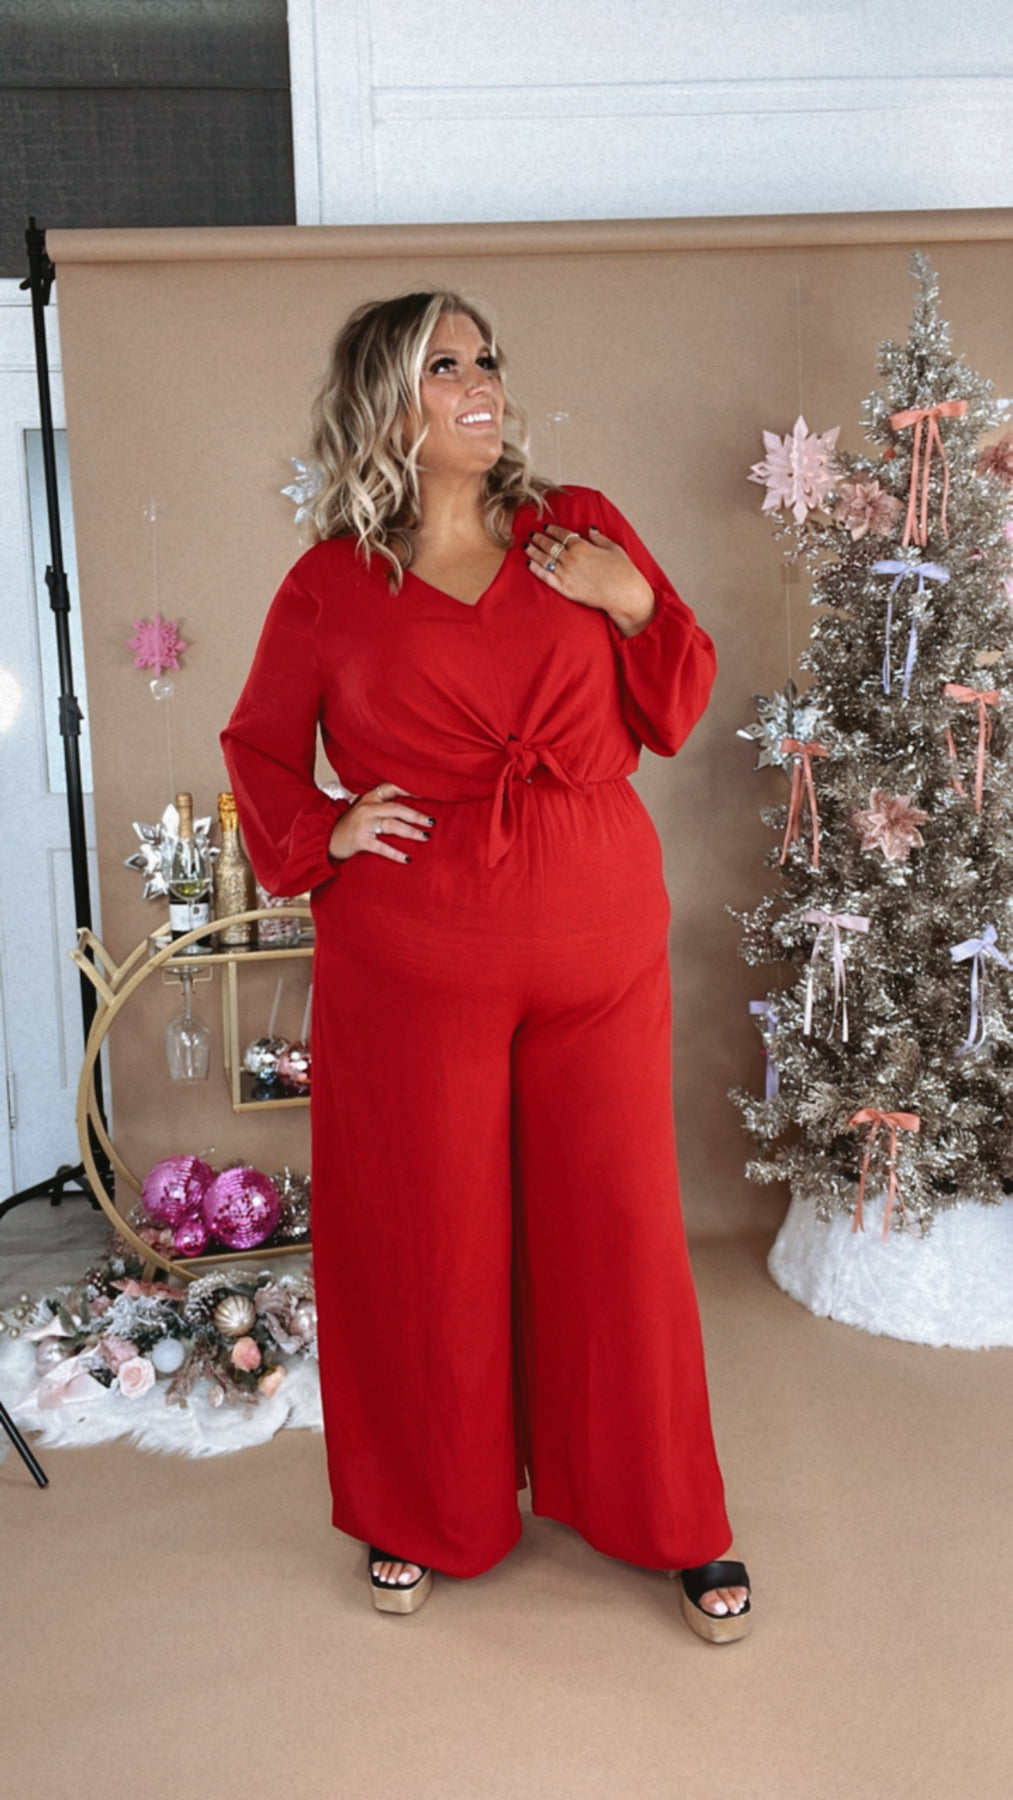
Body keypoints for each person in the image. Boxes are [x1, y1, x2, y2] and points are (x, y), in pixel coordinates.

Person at [221, 291, 751, 1643]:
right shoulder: (331, 582)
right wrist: (326, 832)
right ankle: (424, 1508)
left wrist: (633, 598)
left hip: (597, 937)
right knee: (426, 1234)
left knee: (618, 1227)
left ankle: (666, 1513)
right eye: (443, 365)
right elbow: (259, 745)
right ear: (384, 404)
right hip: (413, 956)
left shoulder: (576, 526)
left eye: (486, 359)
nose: (480, 384)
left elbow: (675, 703)